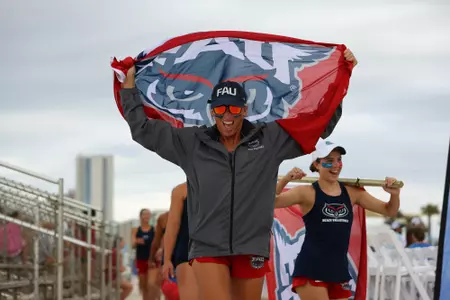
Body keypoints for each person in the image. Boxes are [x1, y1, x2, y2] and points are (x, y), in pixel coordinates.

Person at [120, 50, 358, 300]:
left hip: (251, 246)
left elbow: (318, 125)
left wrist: (341, 77)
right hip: (207, 246)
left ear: (244, 109)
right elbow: (144, 130)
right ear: (212, 111)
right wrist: (129, 89)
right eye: (220, 109)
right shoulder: (192, 143)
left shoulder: (269, 139)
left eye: (234, 108)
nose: (227, 115)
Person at [275, 139, 401, 300]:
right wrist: (285, 180)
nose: (336, 165)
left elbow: (389, 210)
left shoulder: (353, 193)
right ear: (316, 165)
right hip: (312, 269)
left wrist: (394, 194)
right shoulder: (306, 192)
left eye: (339, 160)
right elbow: (272, 202)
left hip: (338, 271)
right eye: (329, 161)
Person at [162, 182, 199, 300]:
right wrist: (167, 259)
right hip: (187, 253)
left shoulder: (225, 183)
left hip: (220, 251)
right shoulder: (181, 190)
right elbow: (172, 225)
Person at [131, 209, 155, 300]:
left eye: (148, 214)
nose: (147, 216)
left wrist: (140, 241)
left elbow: (156, 243)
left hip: (151, 260)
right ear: (140, 216)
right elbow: (133, 245)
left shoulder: (154, 229)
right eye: (145, 214)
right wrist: (137, 241)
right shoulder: (135, 230)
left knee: (151, 284)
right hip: (140, 259)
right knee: (143, 286)